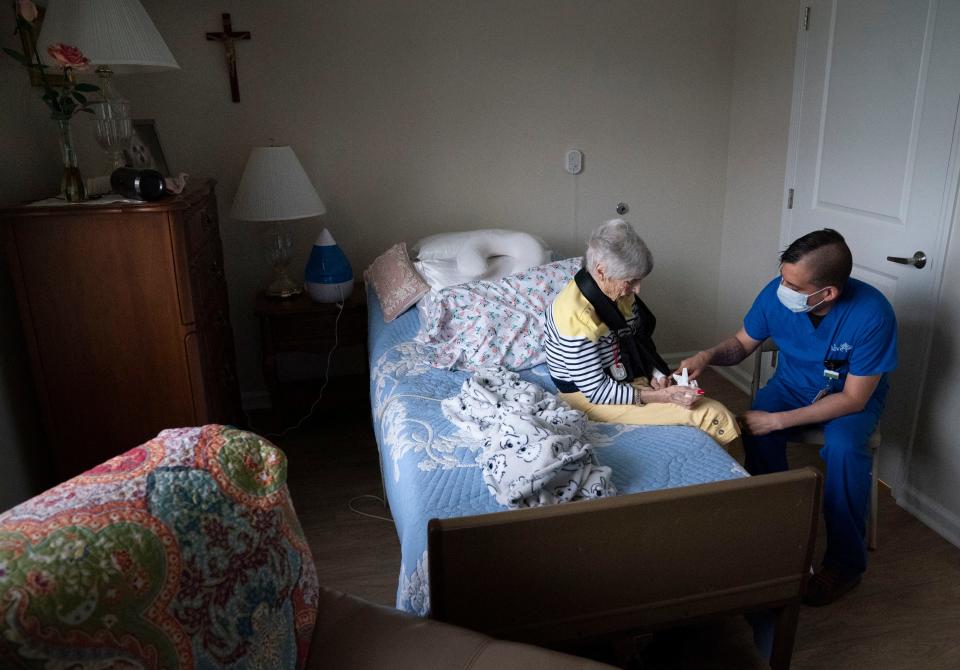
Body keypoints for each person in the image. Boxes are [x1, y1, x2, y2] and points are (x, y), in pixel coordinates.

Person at [679, 228, 897, 606]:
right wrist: (707, 356)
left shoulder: (872, 314)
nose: (782, 288)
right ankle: (774, 535)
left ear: (827, 293)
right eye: (782, 276)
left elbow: (853, 399)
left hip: (846, 402)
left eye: (792, 284)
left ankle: (845, 564)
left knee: (845, 449)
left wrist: (779, 421)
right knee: (755, 431)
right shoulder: (776, 295)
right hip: (792, 387)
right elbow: (741, 345)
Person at [545, 219, 739, 447]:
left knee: (692, 400)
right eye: (631, 281)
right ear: (601, 271)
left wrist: (656, 375)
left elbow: (636, 341)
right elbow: (596, 391)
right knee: (713, 415)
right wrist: (658, 396)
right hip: (588, 396)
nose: (637, 289)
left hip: (623, 376)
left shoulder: (619, 294)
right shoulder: (575, 318)